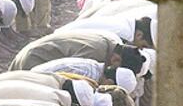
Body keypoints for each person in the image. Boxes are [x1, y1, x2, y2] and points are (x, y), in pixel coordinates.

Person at [9, 30, 146, 73]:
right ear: (116, 60)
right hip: (35, 59)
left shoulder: (109, 43)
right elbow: (69, 77)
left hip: (36, 52)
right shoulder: (95, 53)